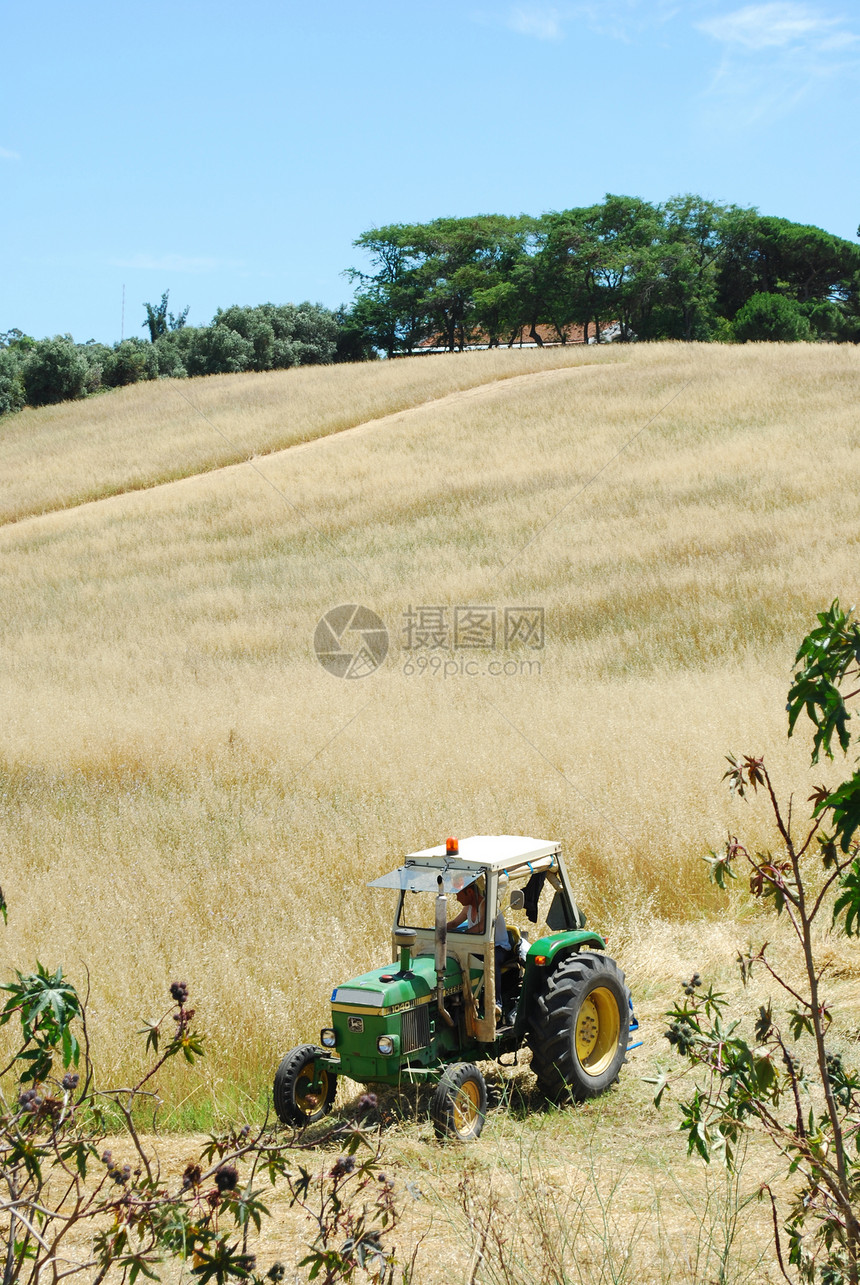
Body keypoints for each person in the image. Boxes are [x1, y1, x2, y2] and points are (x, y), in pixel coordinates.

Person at [448, 881, 512, 1020]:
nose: (457, 898)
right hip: (478, 948)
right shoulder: (468, 908)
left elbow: (482, 927)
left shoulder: (487, 906)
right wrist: (439, 929)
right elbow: (454, 923)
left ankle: (496, 1004)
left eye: (458, 894)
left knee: (491, 960)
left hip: (498, 947)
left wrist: (461, 936)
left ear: (470, 892)